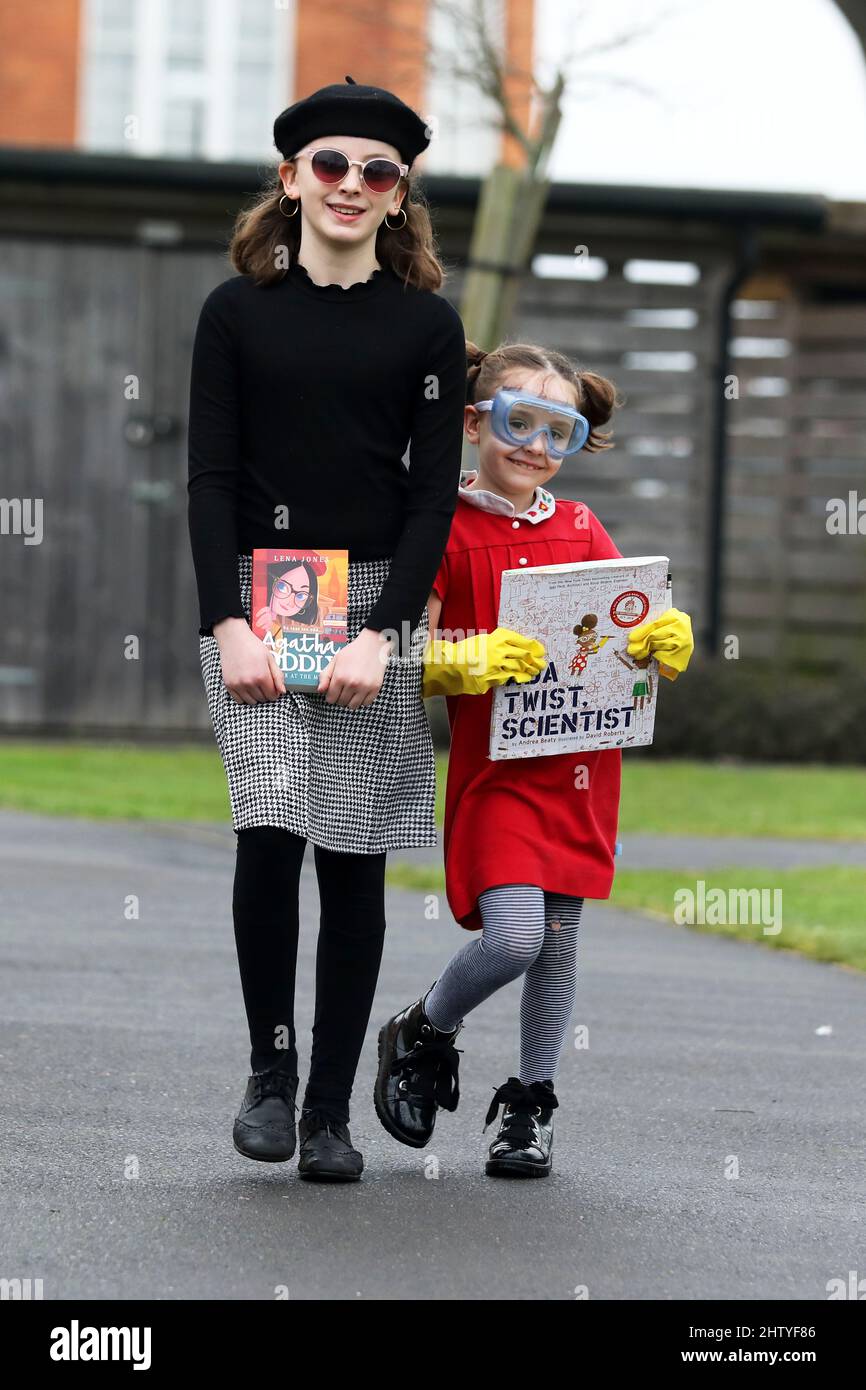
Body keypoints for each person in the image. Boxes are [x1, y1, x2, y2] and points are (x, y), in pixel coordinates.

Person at [188, 77, 467, 1181]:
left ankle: (328, 1113)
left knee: (350, 855)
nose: (352, 185)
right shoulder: (235, 312)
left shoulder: (428, 326)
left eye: (378, 172)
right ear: (291, 178)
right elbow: (208, 481)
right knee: (270, 827)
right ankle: (268, 1067)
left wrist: (382, 632)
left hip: (372, 602)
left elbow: (433, 498)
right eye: (331, 165)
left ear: (399, 197)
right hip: (264, 598)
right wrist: (228, 623)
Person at [374, 340, 695, 1177]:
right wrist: (463, 657)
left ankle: (529, 1107)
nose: (538, 448)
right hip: (501, 775)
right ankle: (426, 1028)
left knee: (556, 945)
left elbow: (625, 630)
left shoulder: (584, 526)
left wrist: (663, 638)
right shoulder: (439, 524)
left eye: (564, 432)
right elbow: (405, 654)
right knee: (515, 937)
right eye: (522, 423)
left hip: (582, 773)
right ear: (475, 421)